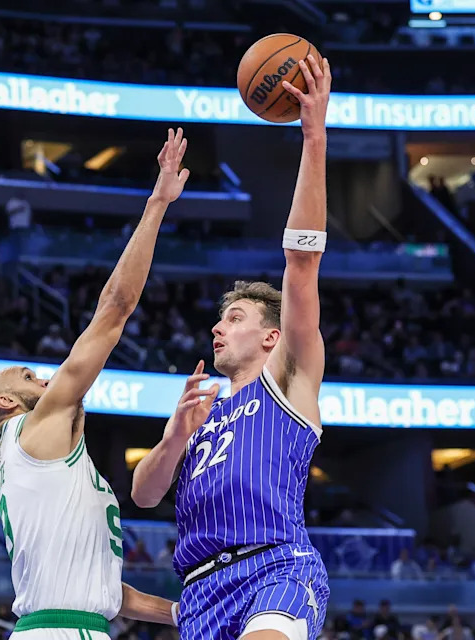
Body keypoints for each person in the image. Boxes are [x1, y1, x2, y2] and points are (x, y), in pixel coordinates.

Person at [131, 54, 333, 640]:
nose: (218, 329)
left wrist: (313, 137)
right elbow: (145, 494)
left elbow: (301, 262)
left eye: (235, 317)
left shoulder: (289, 380)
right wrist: (174, 436)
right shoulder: (201, 413)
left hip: (275, 567)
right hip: (198, 592)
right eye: (220, 319)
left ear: (272, 337)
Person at [0, 128, 191, 639]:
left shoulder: (46, 462)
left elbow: (103, 593)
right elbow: (114, 312)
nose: (46, 377)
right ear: (8, 401)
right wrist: (158, 203)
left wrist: (185, 613)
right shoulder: (35, 428)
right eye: (29, 376)